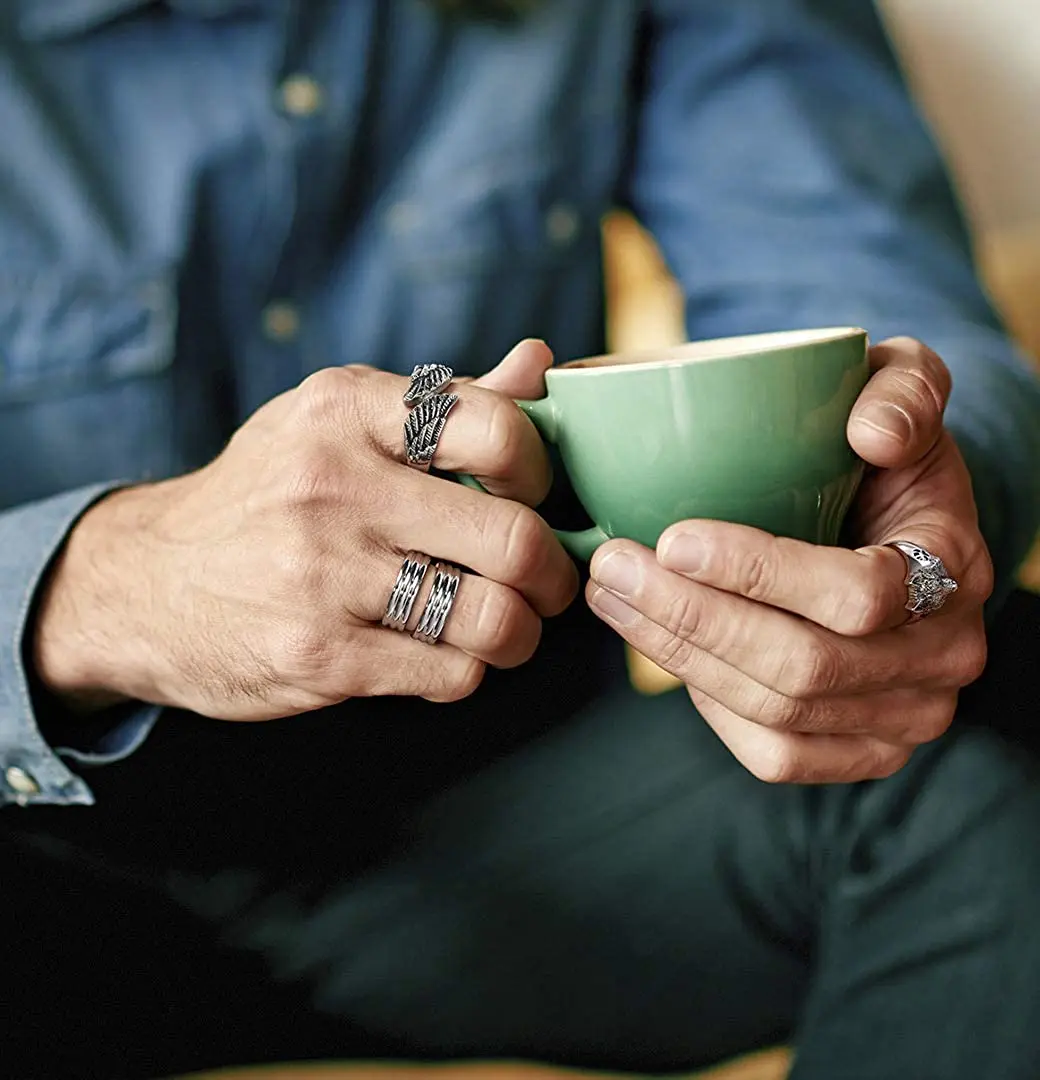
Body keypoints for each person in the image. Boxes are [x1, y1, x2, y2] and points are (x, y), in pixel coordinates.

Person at [2, 1, 1040, 1077]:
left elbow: (855, 294)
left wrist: (910, 530)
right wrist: (97, 586)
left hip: (521, 831)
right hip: (51, 881)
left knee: (1005, 700)